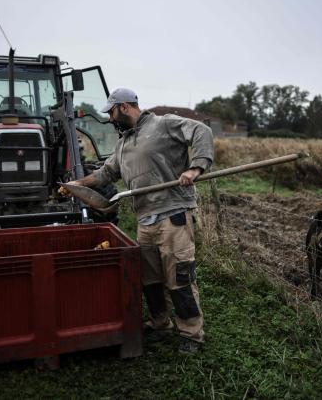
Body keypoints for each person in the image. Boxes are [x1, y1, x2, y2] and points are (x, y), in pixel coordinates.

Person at [64, 88, 214, 354]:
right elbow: (105, 174)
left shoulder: (163, 124)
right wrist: (76, 184)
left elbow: (202, 131)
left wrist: (196, 167)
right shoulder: (123, 144)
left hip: (174, 215)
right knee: (150, 279)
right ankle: (160, 324)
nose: (110, 119)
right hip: (146, 220)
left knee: (179, 278)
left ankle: (192, 334)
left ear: (123, 106)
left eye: (111, 112)